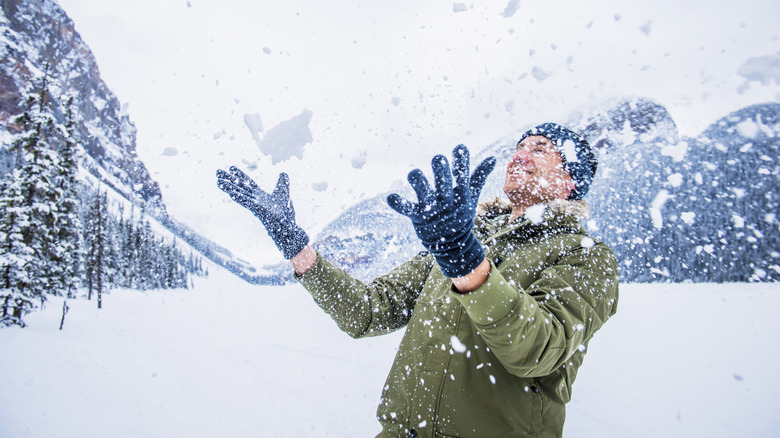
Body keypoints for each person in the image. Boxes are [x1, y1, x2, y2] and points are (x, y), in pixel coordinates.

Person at [216, 122, 619, 438]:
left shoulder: (584, 255)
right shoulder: (463, 236)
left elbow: (537, 350)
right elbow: (369, 311)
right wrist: (297, 248)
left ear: (570, 180)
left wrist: (465, 262)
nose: (519, 155)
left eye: (540, 148)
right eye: (518, 146)